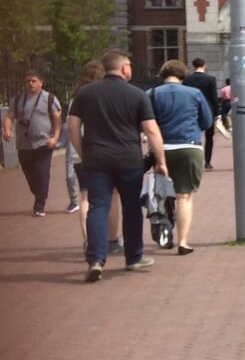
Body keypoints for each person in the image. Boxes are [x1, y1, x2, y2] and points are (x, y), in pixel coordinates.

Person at [67, 49, 167, 282]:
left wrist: (84, 152)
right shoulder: (137, 94)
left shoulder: (85, 94)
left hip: (96, 160)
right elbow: (151, 130)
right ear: (124, 68)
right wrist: (160, 161)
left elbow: (72, 127)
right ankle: (133, 257)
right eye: (129, 65)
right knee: (131, 208)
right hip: (129, 160)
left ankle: (95, 259)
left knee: (98, 207)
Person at [149, 59, 212, 255]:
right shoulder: (194, 94)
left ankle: (164, 235)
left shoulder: (151, 94)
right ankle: (183, 241)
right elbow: (207, 121)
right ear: (183, 75)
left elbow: (146, 122)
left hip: (162, 148)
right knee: (184, 196)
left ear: (162, 74)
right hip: (189, 146)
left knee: (162, 194)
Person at [65, 62, 117, 251]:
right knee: (111, 196)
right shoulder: (103, 95)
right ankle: (111, 239)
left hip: (81, 154)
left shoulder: (75, 98)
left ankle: (88, 240)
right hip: (102, 151)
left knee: (85, 197)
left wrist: (80, 152)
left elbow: (72, 127)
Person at [4, 70, 63, 216]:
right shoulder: (18, 100)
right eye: (28, 81)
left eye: (33, 81)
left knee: (42, 173)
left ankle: (40, 204)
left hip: (43, 143)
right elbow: (9, 116)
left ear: (41, 82)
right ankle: (39, 195)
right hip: (24, 144)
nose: (30, 84)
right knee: (30, 175)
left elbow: (57, 119)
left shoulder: (49, 98)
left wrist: (55, 137)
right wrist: (7, 130)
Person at [181, 57, 221, 169]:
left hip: (193, 110)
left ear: (193, 66)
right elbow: (214, 97)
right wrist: (217, 113)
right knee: (209, 137)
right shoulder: (210, 79)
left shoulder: (187, 79)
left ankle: (193, 161)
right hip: (208, 110)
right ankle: (207, 162)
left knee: (193, 135)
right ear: (204, 65)